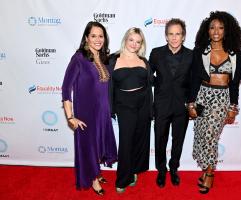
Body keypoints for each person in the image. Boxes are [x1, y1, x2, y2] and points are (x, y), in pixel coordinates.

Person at [188, 11, 241, 194]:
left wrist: (233, 107)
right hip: (203, 96)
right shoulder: (200, 52)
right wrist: (191, 104)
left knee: (211, 136)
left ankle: (210, 174)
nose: (216, 31)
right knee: (202, 134)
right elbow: (194, 80)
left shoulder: (236, 54)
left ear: (227, 30)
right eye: (212, 27)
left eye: (220, 27)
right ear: (207, 31)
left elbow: (235, 84)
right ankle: (206, 169)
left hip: (222, 98)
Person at [62, 21, 117, 196]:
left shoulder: (103, 58)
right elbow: (66, 88)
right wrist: (71, 117)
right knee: (91, 146)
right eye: (93, 36)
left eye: (101, 36)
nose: (98, 39)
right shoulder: (79, 58)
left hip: (102, 112)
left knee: (99, 144)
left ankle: (97, 172)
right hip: (87, 114)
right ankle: (93, 179)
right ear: (86, 38)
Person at [149, 18, 193, 188]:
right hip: (161, 105)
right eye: (171, 34)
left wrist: (191, 103)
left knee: (178, 140)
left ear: (183, 36)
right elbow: (146, 76)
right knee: (160, 139)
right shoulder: (156, 53)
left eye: (178, 34)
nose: (174, 37)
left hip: (182, 106)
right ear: (166, 36)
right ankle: (161, 170)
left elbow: (193, 82)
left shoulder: (191, 55)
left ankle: (173, 169)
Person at [109, 27, 153, 193]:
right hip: (124, 105)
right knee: (126, 141)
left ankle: (134, 171)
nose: (134, 44)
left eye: (138, 41)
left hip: (143, 103)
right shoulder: (112, 59)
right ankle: (122, 179)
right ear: (125, 39)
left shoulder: (144, 61)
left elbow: (150, 83)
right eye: (131, 40)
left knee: (140, 138)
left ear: (141, 44)